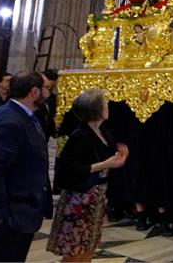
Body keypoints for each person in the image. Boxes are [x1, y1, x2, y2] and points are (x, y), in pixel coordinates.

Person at [0, 72, 52, 262]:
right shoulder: (10, 121)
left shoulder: (21, 116)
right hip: (6, 219)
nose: (49, 93)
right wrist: (1, 216)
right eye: (47, 88)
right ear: (34, 92)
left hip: (17, 215)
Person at [47, 89, 128, 261]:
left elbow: (108, 159)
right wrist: (106, 164)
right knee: (75, 249)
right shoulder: (80, 136)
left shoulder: (104, 132)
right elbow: (70, 170)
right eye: (104, 103)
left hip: (96, 198)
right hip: (80, 198)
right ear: (95, 109)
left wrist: (120, 158)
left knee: (89, 246)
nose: (108, 106)